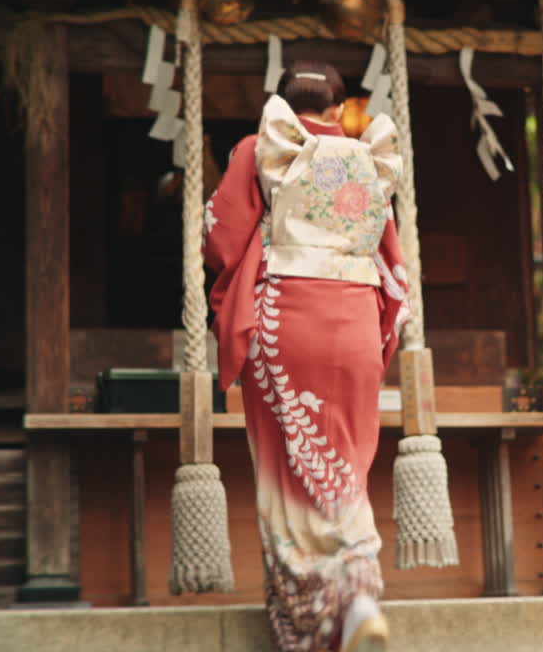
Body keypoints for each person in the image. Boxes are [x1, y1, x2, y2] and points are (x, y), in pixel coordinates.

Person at [203, 60, 409, 652]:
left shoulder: (260, 146)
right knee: (345, 460)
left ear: (286, 108)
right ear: (342, 111)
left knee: (288, 464)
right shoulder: (369, 157)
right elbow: (390, 258)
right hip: (354, 327)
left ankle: (317, 613)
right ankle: (360, 589)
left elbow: (221, 240)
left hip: (284, 323)